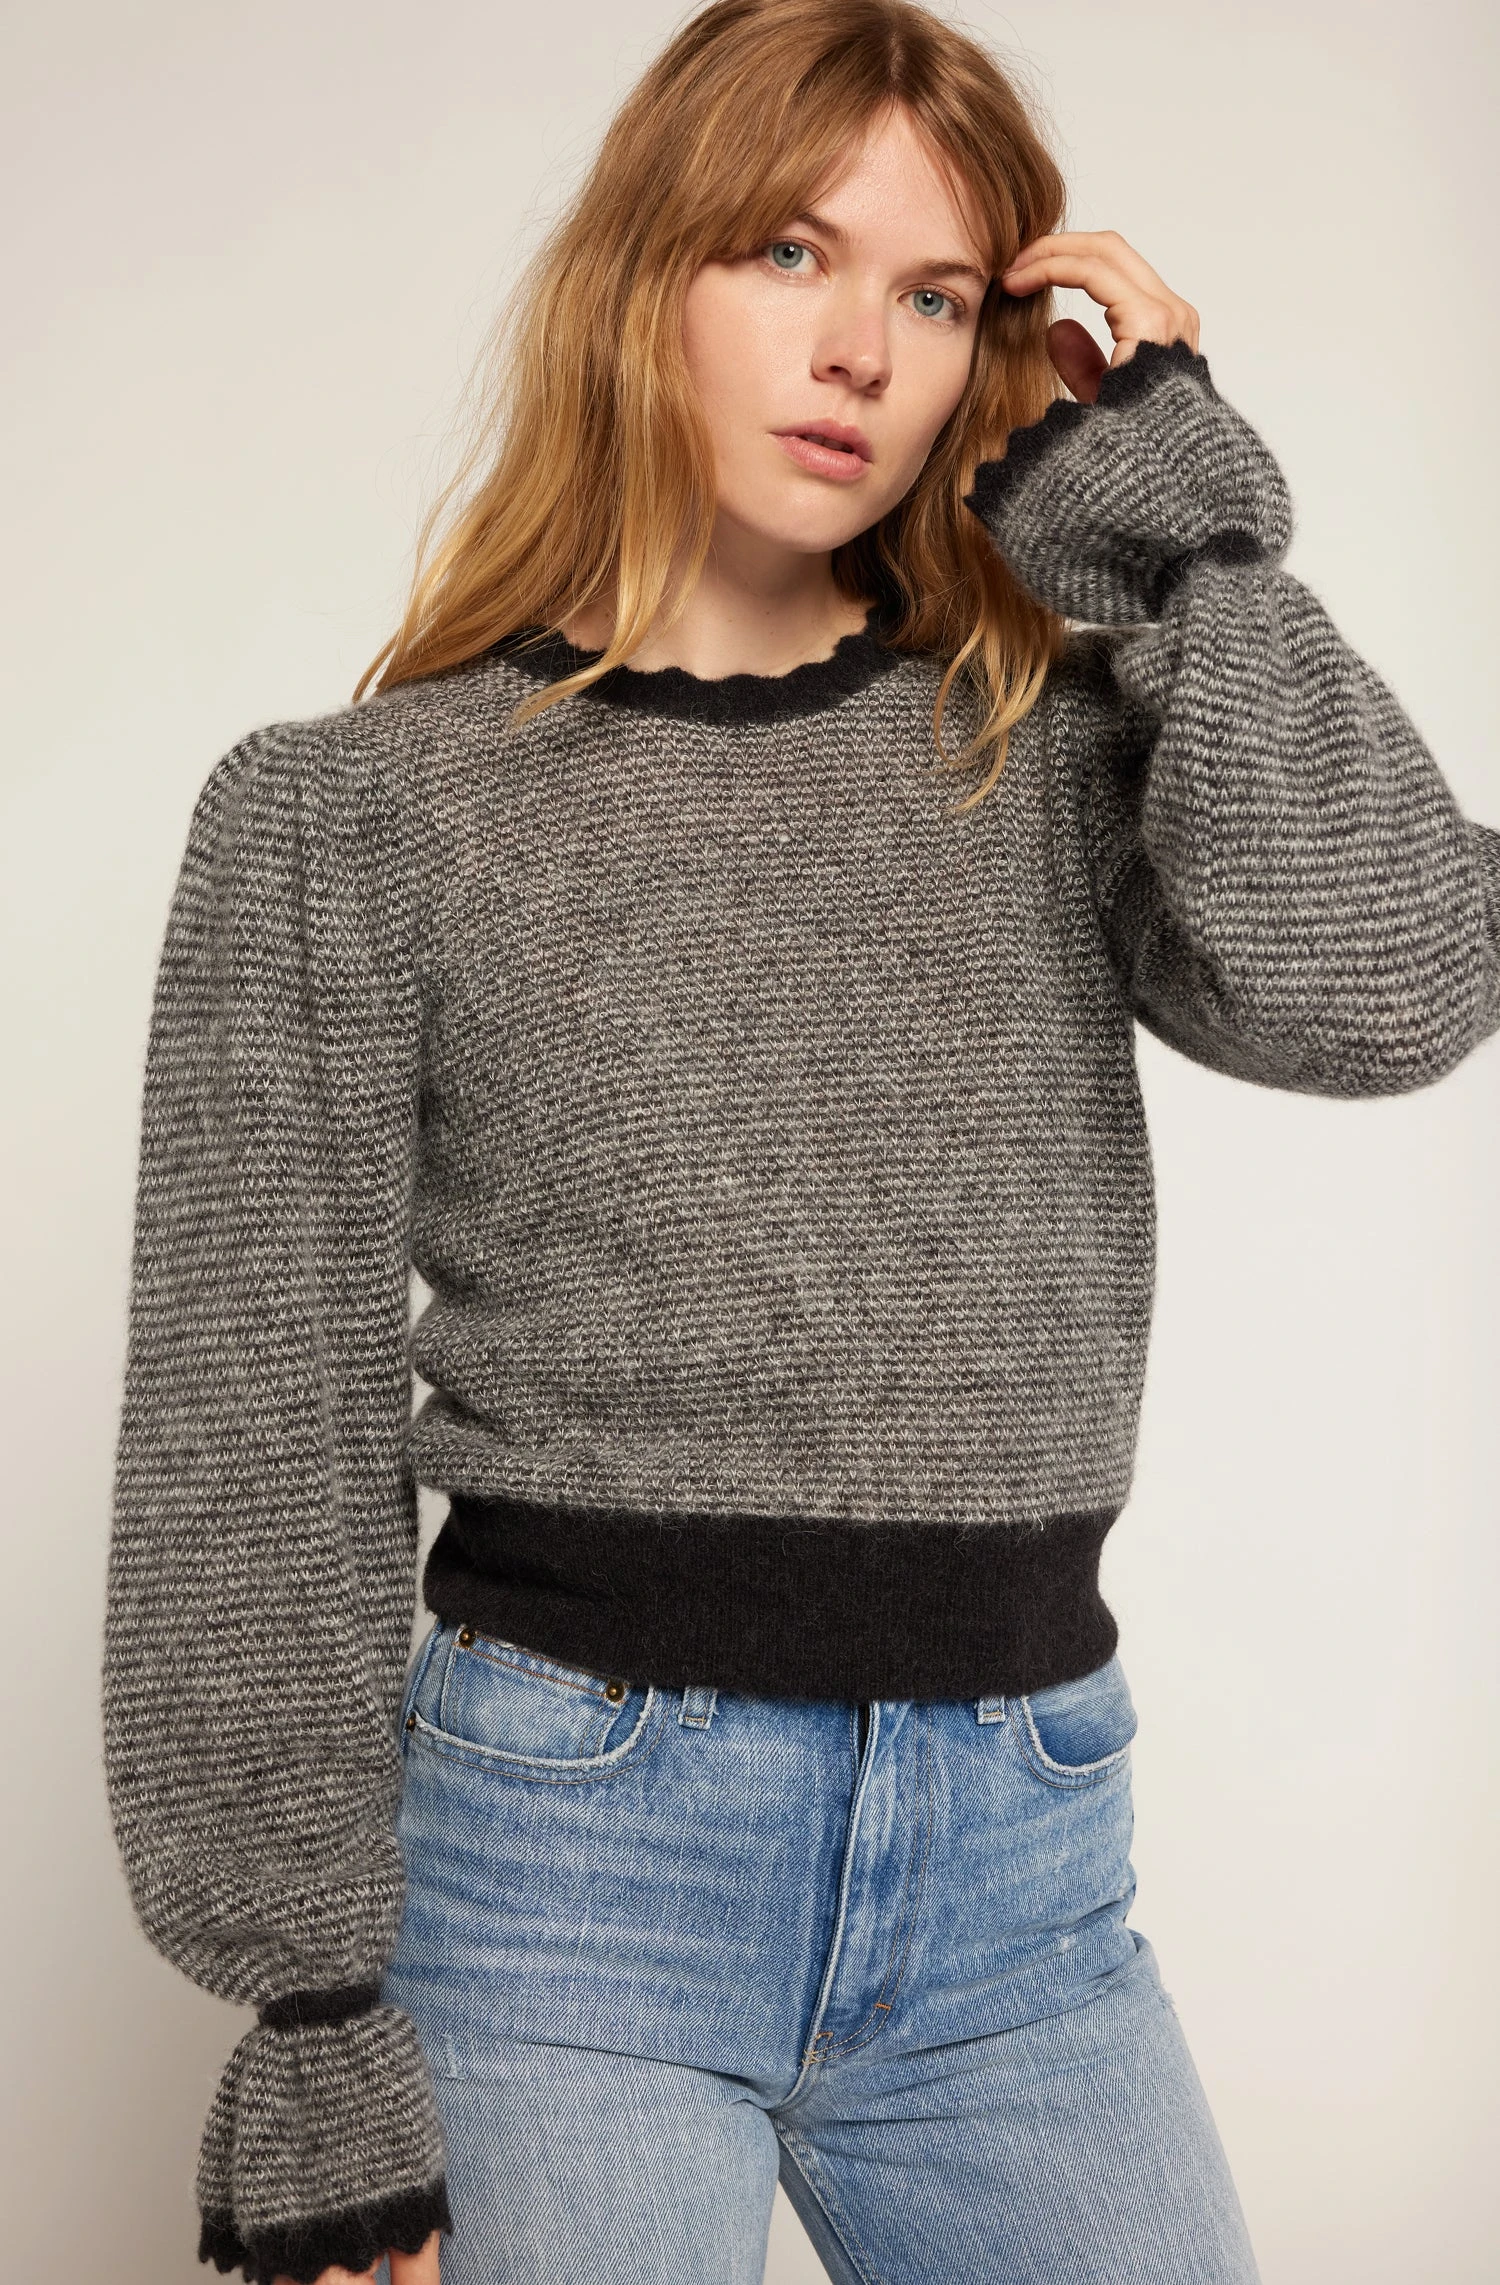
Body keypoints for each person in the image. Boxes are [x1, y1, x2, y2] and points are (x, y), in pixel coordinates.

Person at [100, 2, 1500, 2281]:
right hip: (567, 1871)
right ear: (641, 273)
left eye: (935, 295)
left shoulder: (1050, 746)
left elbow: (1401, 985)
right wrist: (316, 2019)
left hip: (1026, 1867)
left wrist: (1191, 545)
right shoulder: (351, 816)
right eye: (787, 253)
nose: (860, 349)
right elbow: (255, 1423)